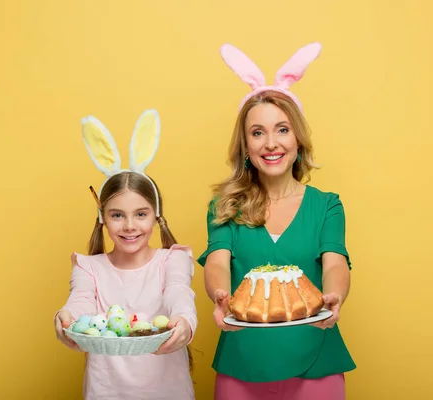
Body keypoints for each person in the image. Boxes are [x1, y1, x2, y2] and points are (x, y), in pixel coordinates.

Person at [197, 43, 356, 399]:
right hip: (242, 363)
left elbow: (336, 263)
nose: (271, 143)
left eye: (282, 129)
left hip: (318, 363)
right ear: (245, 146)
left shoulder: (327, 205)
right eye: (257, 132)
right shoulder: (224, 206)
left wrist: (335, 295)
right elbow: (217, 264)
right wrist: (219, 297)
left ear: (298, 138)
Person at [54, 109, 197, 400]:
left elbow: (178, 294)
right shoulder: (88, 267)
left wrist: (184, 321)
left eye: (140, 214)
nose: (130, 226)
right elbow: (79, 300)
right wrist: (66, 317)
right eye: (117, 215)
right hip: (107, 392)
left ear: (156, 216)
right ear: (102, 218)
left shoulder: (173, 260)